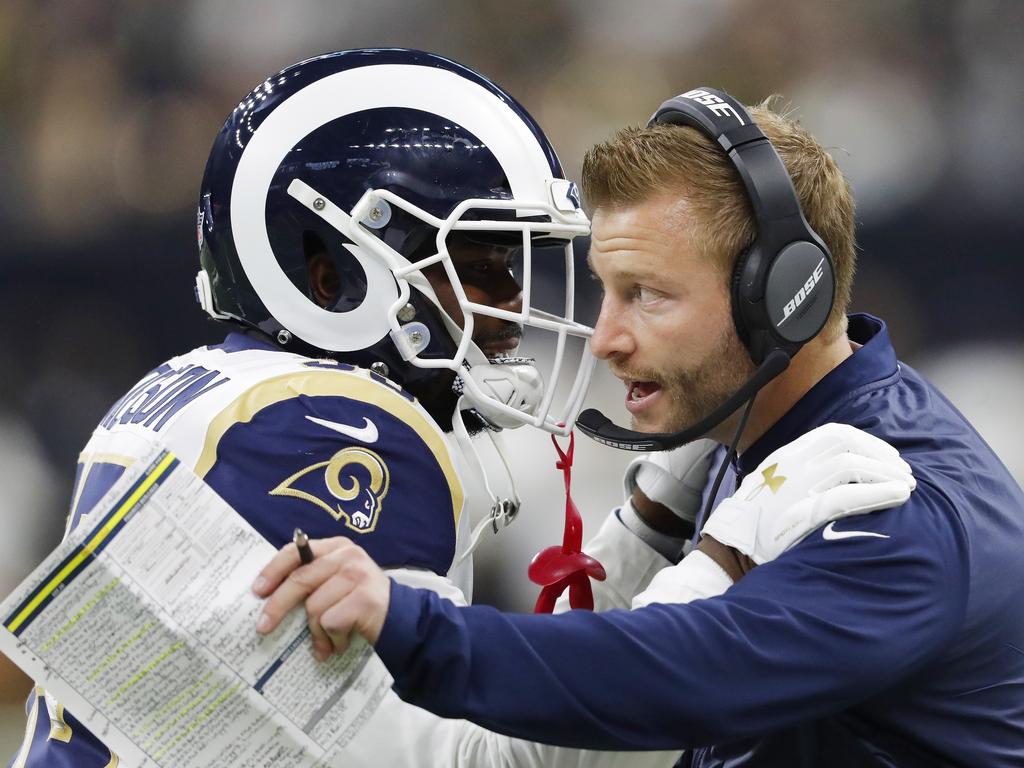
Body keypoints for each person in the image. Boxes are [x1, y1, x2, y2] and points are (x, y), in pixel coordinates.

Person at [3, 54, 911, 768]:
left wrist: (646, 523)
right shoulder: (338, 427)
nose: (513, 309)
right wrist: (720, 555)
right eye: (479, 266)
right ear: (332, 275)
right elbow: (486, 759)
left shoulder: (198, 390)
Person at [254, 87, 1024, 767]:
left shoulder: (891, 501)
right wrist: (649, 530)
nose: (605, 338)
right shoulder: (751, 438)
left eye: (647, 294)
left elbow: (678, 680)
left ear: (782, 296)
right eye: (605, 291)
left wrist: (407, 622)